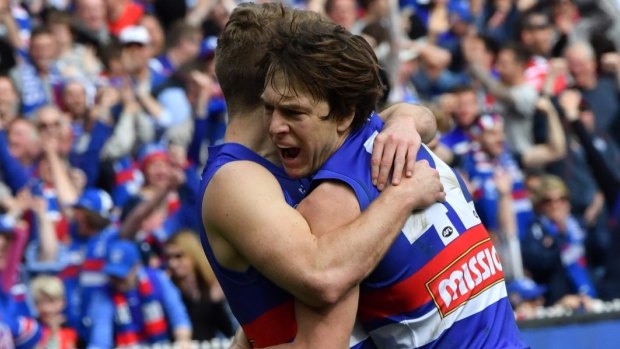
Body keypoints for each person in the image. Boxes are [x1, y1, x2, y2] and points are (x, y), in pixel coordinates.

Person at [259, 16, 527, 348]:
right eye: (269, 109)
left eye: (294, 113)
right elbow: (424, 120)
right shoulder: (404, 136)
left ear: (344, 115)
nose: (274, 127)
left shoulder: (332, 203)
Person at [201, 3, 444, 348]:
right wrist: (404, 195)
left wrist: (405, 120)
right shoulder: (235, 180)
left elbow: (424, 123)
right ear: (276, 75)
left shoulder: (298, 154)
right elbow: (323, 277)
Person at [88, 239, 192, 348]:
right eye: (113, 275)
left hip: (161, 345)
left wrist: (182, 339)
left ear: (136, 267)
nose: (117, 280)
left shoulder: (157, 279)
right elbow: (100, 338)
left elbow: (178, 316)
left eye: (121, 274)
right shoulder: (105, 292)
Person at [165, 229, 235, 341]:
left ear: (193, 254)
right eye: (168, 258)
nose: (172, 263)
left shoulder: (215, 289)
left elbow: (232, 330)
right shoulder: (169, 291)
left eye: (178, 256)